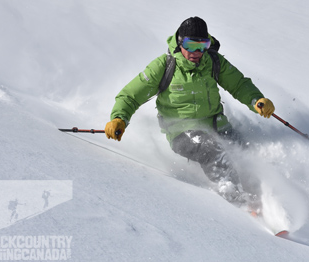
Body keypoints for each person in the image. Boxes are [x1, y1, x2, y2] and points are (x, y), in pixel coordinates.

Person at [105, 16, 275, 207]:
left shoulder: (213, 62)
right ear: (180, 42)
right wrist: (119, 118)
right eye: (191, 45)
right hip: (181, 132)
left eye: (202, 46)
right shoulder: (164, 66)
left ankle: (264, 197)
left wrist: (256, 100)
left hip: (217, 126)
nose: (197, 52)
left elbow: (239, 84)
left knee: (247, 152)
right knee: (211, 149)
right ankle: (235, 197)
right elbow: (130, 95)